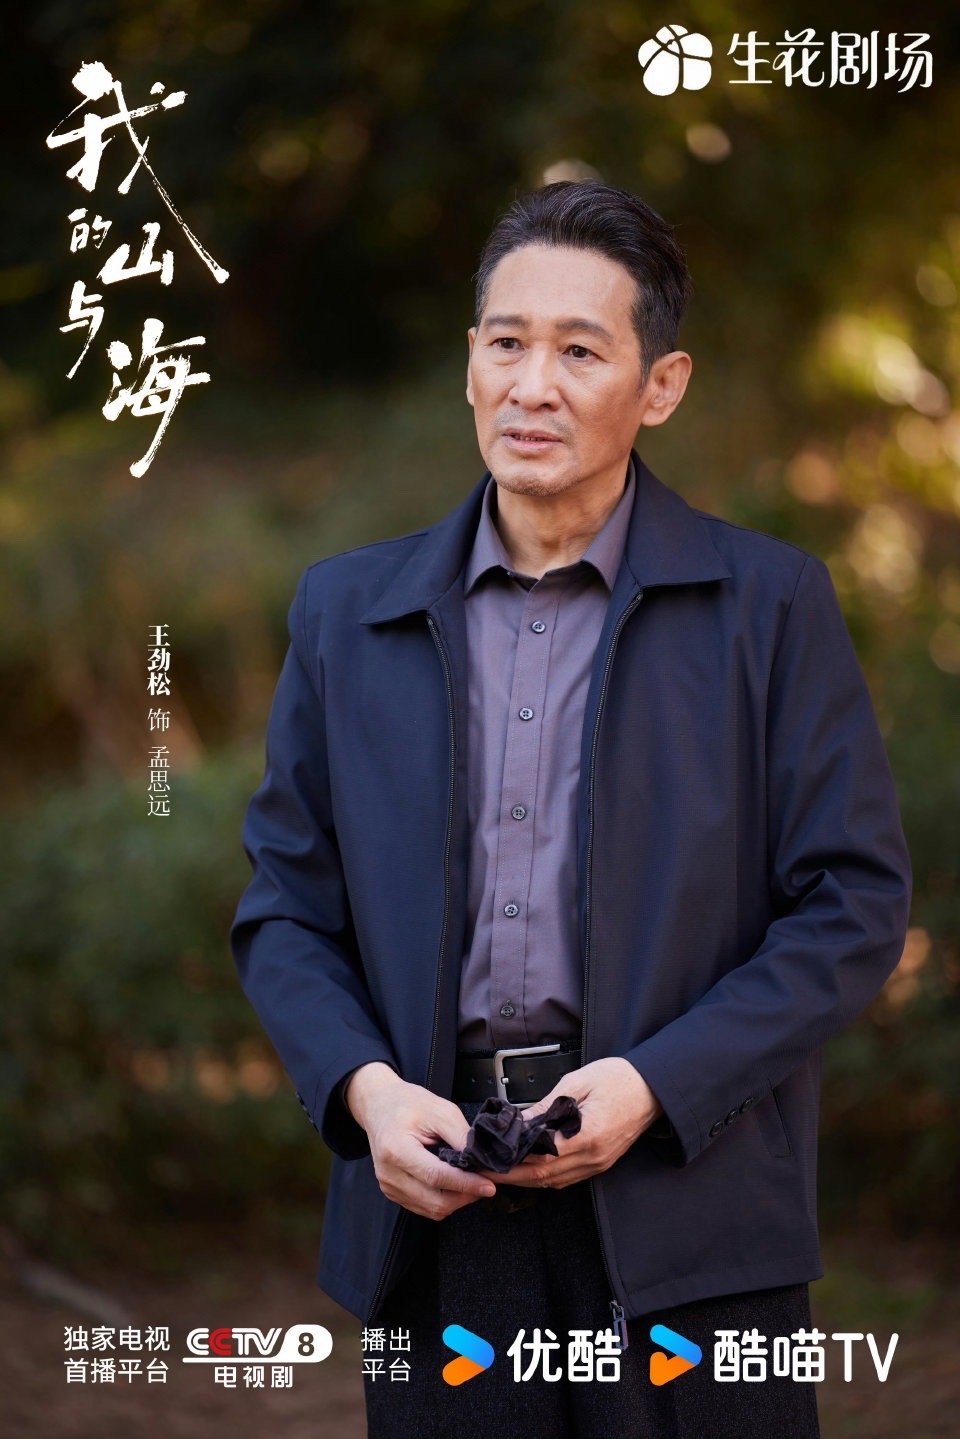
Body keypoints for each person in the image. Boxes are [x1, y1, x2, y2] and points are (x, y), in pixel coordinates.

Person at [230, 180, 912, 1438]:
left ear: (662, 385)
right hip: (437, 1201)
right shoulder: (346, 611)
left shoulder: (769, 606)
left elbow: (854, 904)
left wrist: (659, 1081)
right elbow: (284, 910)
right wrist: (368, 1093)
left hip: (692, 1204)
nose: (532, 385)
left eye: (581, 351)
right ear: (470, 363)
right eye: (507, 342)